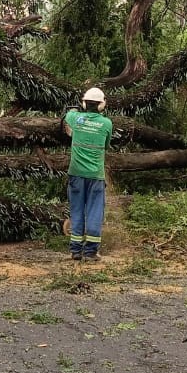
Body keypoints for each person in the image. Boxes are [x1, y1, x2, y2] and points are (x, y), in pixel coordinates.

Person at [63, 86, 114, 262]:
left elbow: (67, 116)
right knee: (94, 212)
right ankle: (91, 252)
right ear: (101, 105)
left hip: (76, 174)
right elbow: (107, 146)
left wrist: (76, 111)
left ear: (84, 103)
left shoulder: (75, 118)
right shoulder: (107, 123)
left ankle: (76, 251)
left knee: (77, 210)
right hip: (96, 176)